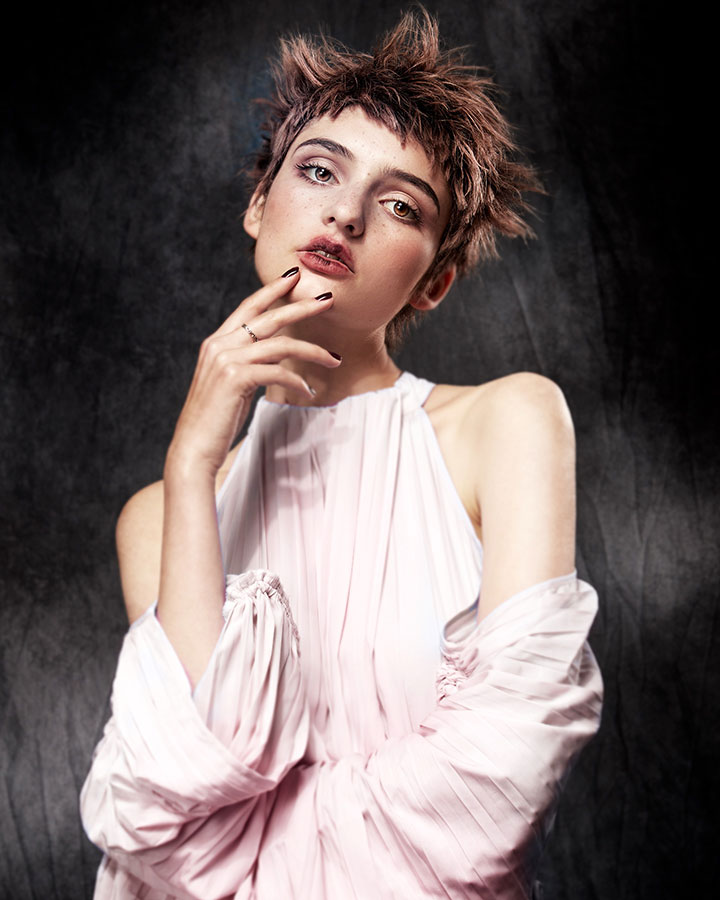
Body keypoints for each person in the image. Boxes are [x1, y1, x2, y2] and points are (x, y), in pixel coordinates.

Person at [80, 10, 603, 899]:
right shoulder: (161, 514)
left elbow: (493, 792)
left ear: (433, 281)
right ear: (259, 203)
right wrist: (192, 463)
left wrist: (264, 846)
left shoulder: (507, 424)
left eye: (401, 205)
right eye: (319, 170)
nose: (346, 213)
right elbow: (173, 820)